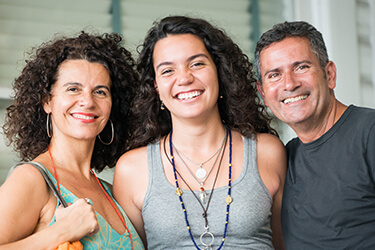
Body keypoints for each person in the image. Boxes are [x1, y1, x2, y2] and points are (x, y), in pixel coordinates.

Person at [113, 15, 287, 249]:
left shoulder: (267, 152)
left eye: (196, 64)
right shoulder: (131, 170)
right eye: (167, 71)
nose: (184, 78)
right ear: (155, 87)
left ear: (219, 71)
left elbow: (286, 243)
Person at [0, 31, 144, 249]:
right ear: (47, 101)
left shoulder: (112, 191)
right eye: (73, 89)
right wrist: (60, 232)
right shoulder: (32, 179)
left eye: (100, 92)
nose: (87, 101)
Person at [255, 21, 375, 249]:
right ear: (263, 94)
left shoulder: (369, 133)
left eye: (301, 67)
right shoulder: (284, 157)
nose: (289, 84)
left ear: (329, 74)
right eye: (274, 75)